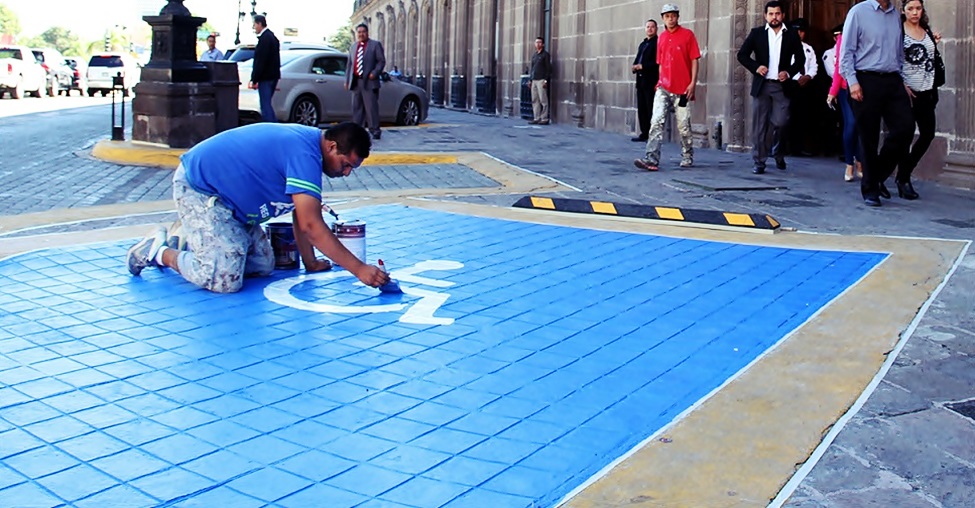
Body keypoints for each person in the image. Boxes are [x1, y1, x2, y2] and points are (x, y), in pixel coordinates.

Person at [125, 122, 390, 294]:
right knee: (224, 278)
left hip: (235, 209)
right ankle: (157, 251)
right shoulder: (304, 153)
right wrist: (359, 269)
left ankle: (193, 241)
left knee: (262, 265)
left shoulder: (310, 150)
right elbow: (311, 225)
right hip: (202, 190)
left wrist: (310, 263)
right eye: (346, 165)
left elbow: (303, 216)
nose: (345, 173)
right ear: (331, 147)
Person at [840, 0, 915, 207]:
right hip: (865, 80)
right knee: (869, 137)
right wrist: (852, 82)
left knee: (905, 128)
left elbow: (899, 51)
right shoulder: (858, 12)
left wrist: (902, 79)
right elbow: (846, 52)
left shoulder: (895, 15)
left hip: (892, 80)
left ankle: (876, 176)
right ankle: (870, 190)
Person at [736, 1, 805, 174]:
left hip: (781, 87)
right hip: (763, 85)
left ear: (783, 15)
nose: (775, 17)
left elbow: (800, 59)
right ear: (765, 15)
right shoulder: (757, 34)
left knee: (780, 122)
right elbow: (742, 55)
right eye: (771, 14)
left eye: (778, 14)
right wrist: (756, 67)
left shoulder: (791, 35)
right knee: (760, 125)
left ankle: (778, 151)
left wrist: (788, 72)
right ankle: (759, 161)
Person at [633, 3, 700, 171]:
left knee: (683, 126)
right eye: (667, 16)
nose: (670, 19)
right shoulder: (661, 38)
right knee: (656, 121)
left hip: (683, 89)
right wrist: (660, 81)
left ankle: (687, 155)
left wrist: (693, 83)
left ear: (677, 17)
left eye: (673, 16)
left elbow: (694, 59)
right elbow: (661, 62)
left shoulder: (687, 35)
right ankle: (651, 159)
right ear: (663, 18)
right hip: (663, 86)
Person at [893, 0, 942, 200]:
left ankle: (904, 173)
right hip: (907, 92)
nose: (915, 12)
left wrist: (933, 42)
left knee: (927, 134)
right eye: (911, 9)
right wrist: (900, 84)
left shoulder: (926, 30)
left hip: (927, 90)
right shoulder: (899, 32)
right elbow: (892, 58)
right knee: (904, 136)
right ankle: (903, 180)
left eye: (918, 8)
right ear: (903, 11)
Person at [826, 25, 862, 183]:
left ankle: (860, 161)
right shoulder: (843, 38)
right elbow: (839, 67)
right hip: (846, 88)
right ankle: (849, 163)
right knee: (851, 124)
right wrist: (832, 91)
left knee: (863, 126)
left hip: (867, 87)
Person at [345, 23, 386, 140]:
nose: (361, 34)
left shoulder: (375, 45)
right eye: (359, 32)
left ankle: (375, 130)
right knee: (357, 108)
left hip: (369, 81)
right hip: (356, 82)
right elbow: (349, 65)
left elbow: (381, 61)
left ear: (367, 33)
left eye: (363, 32)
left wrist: (375, 72)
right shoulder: (353, 47)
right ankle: (358, 131)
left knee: (371, 108)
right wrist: (347, 80)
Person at [784, 18, 818, 158]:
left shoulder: (808, 49)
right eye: (796, 30)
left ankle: (799, 147)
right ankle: (785, 147)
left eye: (802, 31)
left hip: (805, 85)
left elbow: (814, 65)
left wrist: (808, 76)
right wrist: (797, 76)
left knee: (802, 117)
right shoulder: (785, 47)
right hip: (791, 84)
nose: (799, 33)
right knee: (787, 116)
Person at [631, 19, 659, 142]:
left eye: (652, 27)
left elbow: (658, 63)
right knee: (642, 108)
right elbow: (638, 58)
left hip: (651, 81)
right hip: (641, 81)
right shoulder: (643, 44)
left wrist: (643, 66)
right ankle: (644, 133)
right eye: (648, 27)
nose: (650, 29)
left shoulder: (657, 43)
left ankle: (652, 134)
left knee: (650, 108)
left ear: (656, 28)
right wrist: (634, 66)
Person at [249, 15, 280, 123]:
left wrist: (254, 78)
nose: (254, 28)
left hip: (265, 77)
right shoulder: (272, 37)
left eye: (254, 25)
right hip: (273, 75)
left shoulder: (264, 39)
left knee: (265, 105)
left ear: (259, 24)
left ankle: (272, 128)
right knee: (267, 104)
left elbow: (260, 61)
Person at [529, 37, 552, 125]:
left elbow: (548, 68)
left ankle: (544, 118)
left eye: (539, 42)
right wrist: (530, 80)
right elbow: (532, 68)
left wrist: (546, 80)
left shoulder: (545, 55)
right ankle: (536, 117)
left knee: (543, 99)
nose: (537, 44)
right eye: (536, 42)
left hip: (541, 79)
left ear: (542, 44)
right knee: (535, 99)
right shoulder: (534, 55)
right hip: (534, 79)